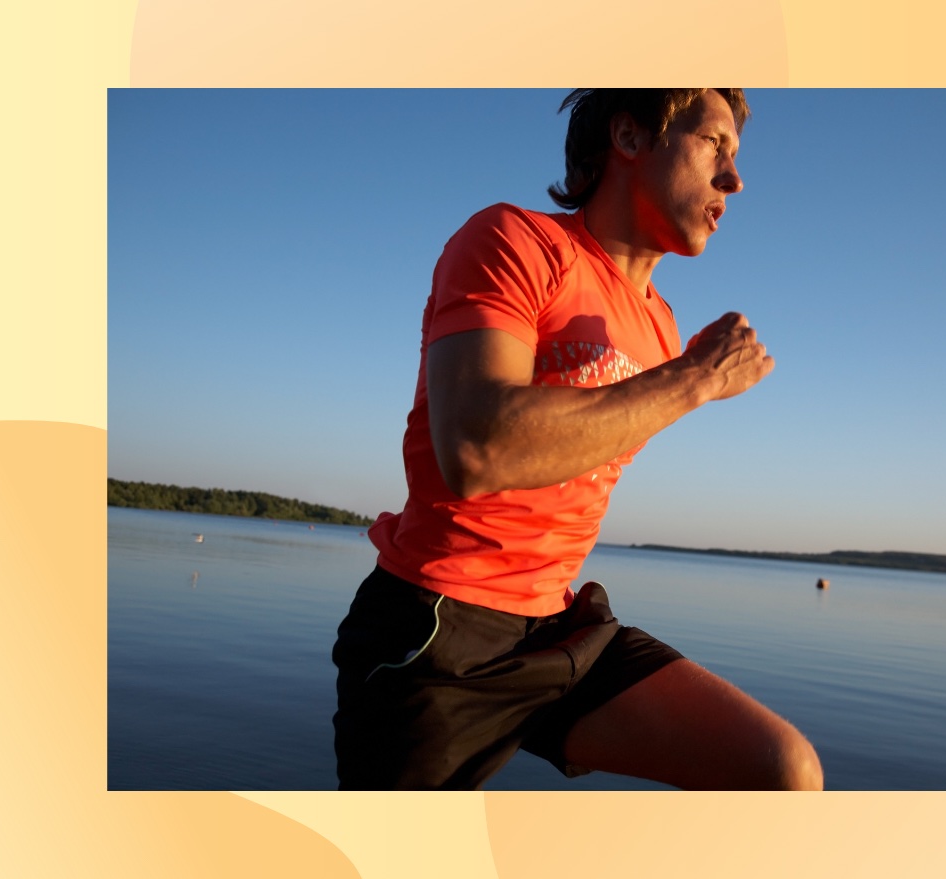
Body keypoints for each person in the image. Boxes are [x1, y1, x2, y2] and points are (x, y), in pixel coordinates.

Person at [332, 89, 823, 791]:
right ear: (629, 135)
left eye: (736, 158)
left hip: (558, 626)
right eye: (714, 144)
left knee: (783, 771)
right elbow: (477, 448)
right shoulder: (514, 241)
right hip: (439, 629)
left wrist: (685, 372)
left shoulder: (660, 326)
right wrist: (694, 379)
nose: (734, 180)